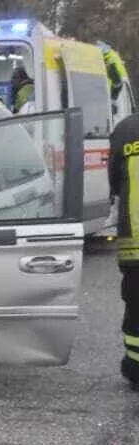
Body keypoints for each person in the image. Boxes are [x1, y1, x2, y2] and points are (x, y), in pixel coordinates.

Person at [109, 111, 139, 387]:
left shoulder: (126, 129)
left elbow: (114, 185)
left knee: (137, 312)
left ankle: (135, 369)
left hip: (135, 248)